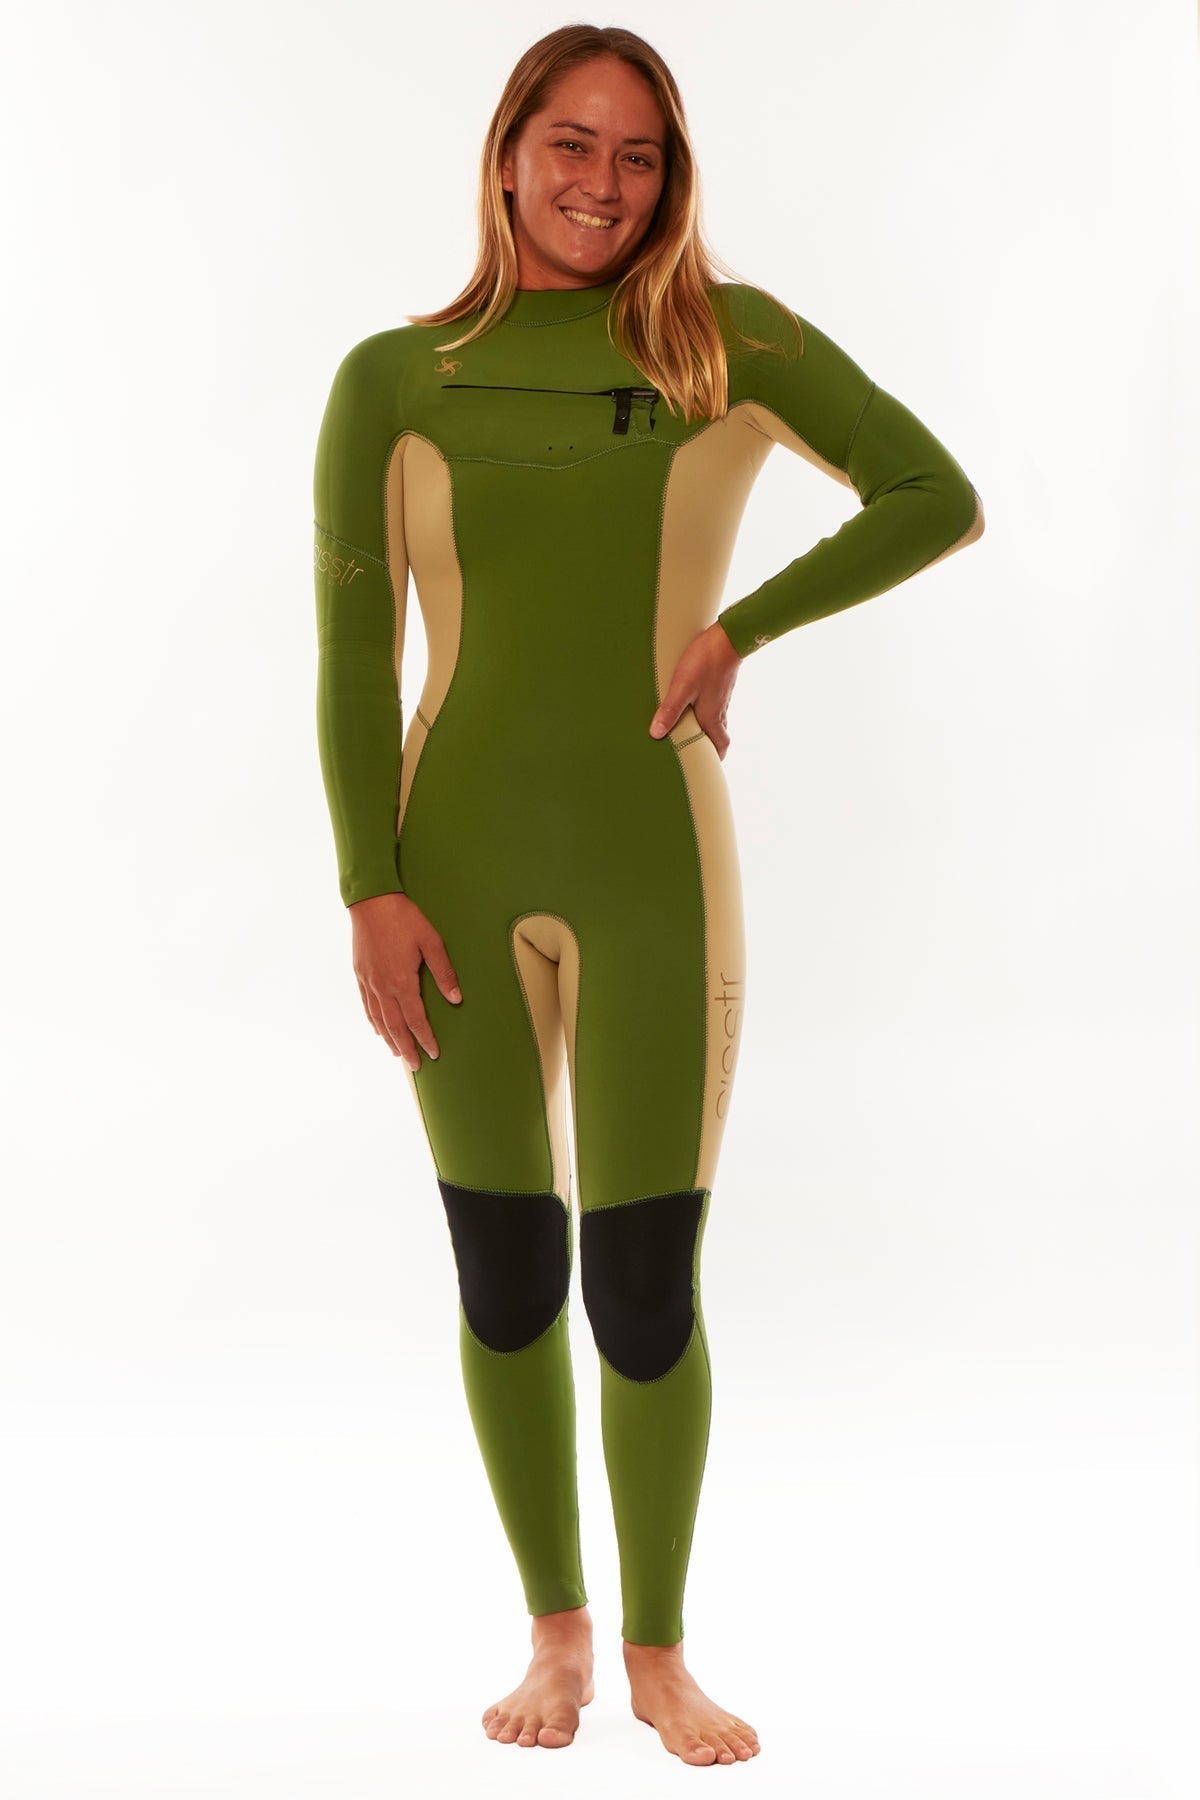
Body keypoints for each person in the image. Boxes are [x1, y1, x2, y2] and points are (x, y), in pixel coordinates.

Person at [311, 21, 984, 1770]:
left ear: (670, 176)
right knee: (503, 1270)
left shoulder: (723, 343)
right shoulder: (393, 378)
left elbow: (935, 494)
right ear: (507, 151)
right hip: (451, 872)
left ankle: (661, 1654)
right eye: (572, 143)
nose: (603, 184)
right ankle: (554, 1634)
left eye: (640, 155)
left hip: (653, 875)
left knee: (640, 1284)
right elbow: (352, 659)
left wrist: (741, 626)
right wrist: (369, 887)